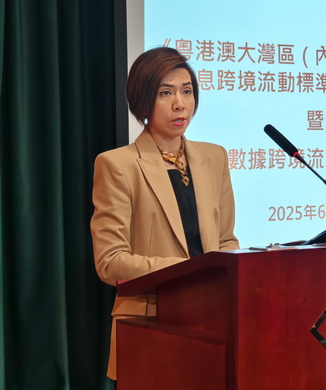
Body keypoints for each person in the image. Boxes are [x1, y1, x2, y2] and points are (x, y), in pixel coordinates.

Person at [90, 47, 239, 380]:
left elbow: (226, 241)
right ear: (143, 100)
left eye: (187, 91)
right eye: (166, 93)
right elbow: (110, 262)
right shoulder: (117, 165)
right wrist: (190, 271)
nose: (180, 104)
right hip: (150, 324)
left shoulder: (214, 158)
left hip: (213, 320)